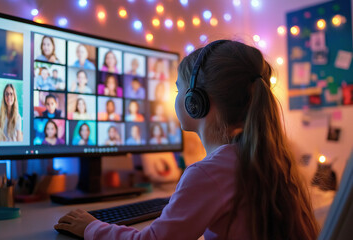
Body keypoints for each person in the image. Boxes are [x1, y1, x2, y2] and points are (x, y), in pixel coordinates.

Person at [55, 40, 320, 240]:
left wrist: (91, 226)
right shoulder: (262, 157)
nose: (176, 96)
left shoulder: (209, 172)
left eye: (178, 89)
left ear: (197, 103)